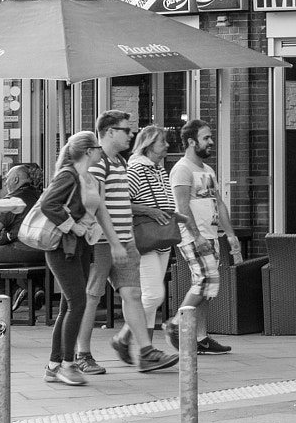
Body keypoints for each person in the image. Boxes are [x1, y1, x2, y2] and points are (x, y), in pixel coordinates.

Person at [82, 110, 174, 374]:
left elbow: (120, 203)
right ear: (110, 132)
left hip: (126, 242)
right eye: (126, 130)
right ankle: (82, 354)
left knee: (133, 294)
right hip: (102, 243)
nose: (131, 134)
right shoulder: (98, 163)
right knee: (91, 298)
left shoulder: (120, 162)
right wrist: (112, 241)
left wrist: (125, 240)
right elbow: (95, 204)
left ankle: (145, 352)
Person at [38, 131, 101, 386]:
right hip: (63, 248)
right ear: (88, 151)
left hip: (80, 248)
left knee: (69, 306)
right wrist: (72, 226)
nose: (100, 151)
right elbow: (48, 204)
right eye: (97, 147)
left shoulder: (88, 177)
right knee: (78, 303)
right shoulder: (68, 175)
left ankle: (54, 365)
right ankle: (67, 364)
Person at [169, 119, 234, 355]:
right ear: (190, 141)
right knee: (205, 280)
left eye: (210, 137)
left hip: (211, 235)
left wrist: (230, 234)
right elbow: (182, 207)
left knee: (209, 288)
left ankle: (201, 338)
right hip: (192, 236)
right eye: (206, 138)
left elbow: (219, 202)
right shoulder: (182, 169)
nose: (211, 142)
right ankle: (176, 323)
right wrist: (196, 236)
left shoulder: (207, 170)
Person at [126, 124, 183, 360]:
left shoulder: (159, 170)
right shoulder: (136, 169)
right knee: (153, 295)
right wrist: (149, 211)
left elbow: (165, 201)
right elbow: (120, 202)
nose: (167, 145)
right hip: (145, 239)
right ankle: (125, 337)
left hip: (161, 238)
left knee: (150, 296)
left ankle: (145, 351)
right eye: (163, 142)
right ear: (149, 145)